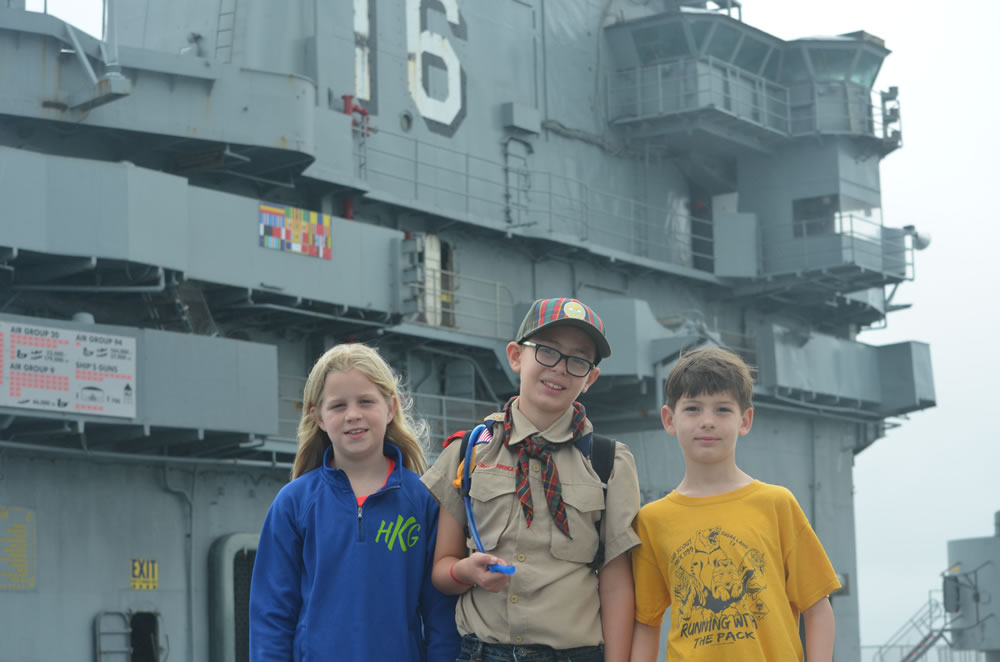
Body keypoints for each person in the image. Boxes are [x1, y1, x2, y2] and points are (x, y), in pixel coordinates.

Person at [422, 297, 642, 662]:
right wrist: (467, 572)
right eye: (547, 351)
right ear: (515, 356)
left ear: (590, 378)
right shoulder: (468, 452)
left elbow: (617, 585)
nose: (560, 369)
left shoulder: (609, 463)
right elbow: (442, 570)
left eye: (578, 360)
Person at [249, 343, 461, 662]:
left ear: (390, 407)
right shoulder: (293, 503)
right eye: (338, 406)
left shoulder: (424, 500)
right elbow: (271, 616)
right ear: (318, 417)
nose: (353, 415)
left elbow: (442, 616)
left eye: (366, 401)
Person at [629, 346, 840, 662]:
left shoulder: (776, 504)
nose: (707, 421)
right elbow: (647, 623)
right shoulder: (652, 520)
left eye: (723, 410)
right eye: (693, 409)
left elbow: (817, 608)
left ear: (745, 420)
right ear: (669, 420)